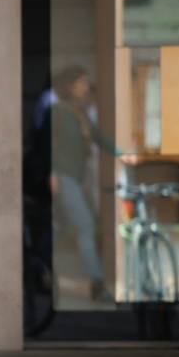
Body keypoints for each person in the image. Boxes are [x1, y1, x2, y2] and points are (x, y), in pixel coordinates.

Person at [47, 65, 117, 303]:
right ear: (70, 86)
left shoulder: (79, 112)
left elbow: (97, 135)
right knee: (85, 226)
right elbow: (45, 144)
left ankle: (43, 269)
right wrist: (51, 173)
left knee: (74, 227)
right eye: (82, 82)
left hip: (78, 176)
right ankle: (97, 284)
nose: (86, 87)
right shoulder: (56, 112)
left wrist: (120, 153)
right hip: (64, 176)